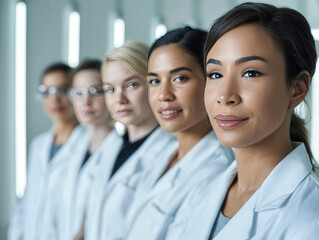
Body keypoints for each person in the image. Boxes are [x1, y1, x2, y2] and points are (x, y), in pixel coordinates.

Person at [165, 3, 319, 240]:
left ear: (297, 89)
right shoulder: (204, 193)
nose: (225, 96)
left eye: (250, 73)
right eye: (215, 74)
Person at [124, 26, 234, 240]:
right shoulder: (164, 153)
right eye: (155, 81)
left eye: (179, 78)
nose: (163, 95)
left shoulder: (216, 171)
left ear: (212, 80)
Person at [83, 41, 176, 240]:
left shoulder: (171, 154)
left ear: (154, 84)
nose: (119, 99)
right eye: (110, 89)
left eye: (131, 85)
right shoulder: (109, 149)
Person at [8, 63, 87, 240]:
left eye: (63, 90)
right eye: (47, 92)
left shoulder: (88, 146)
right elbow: (27, 202)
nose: (55, 99)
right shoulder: (38, 145)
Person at [53, 59, 115, 240]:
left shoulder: (118, 152)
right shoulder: (72, 149)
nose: (86, 101)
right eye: (78, 93)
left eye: (96, 91)